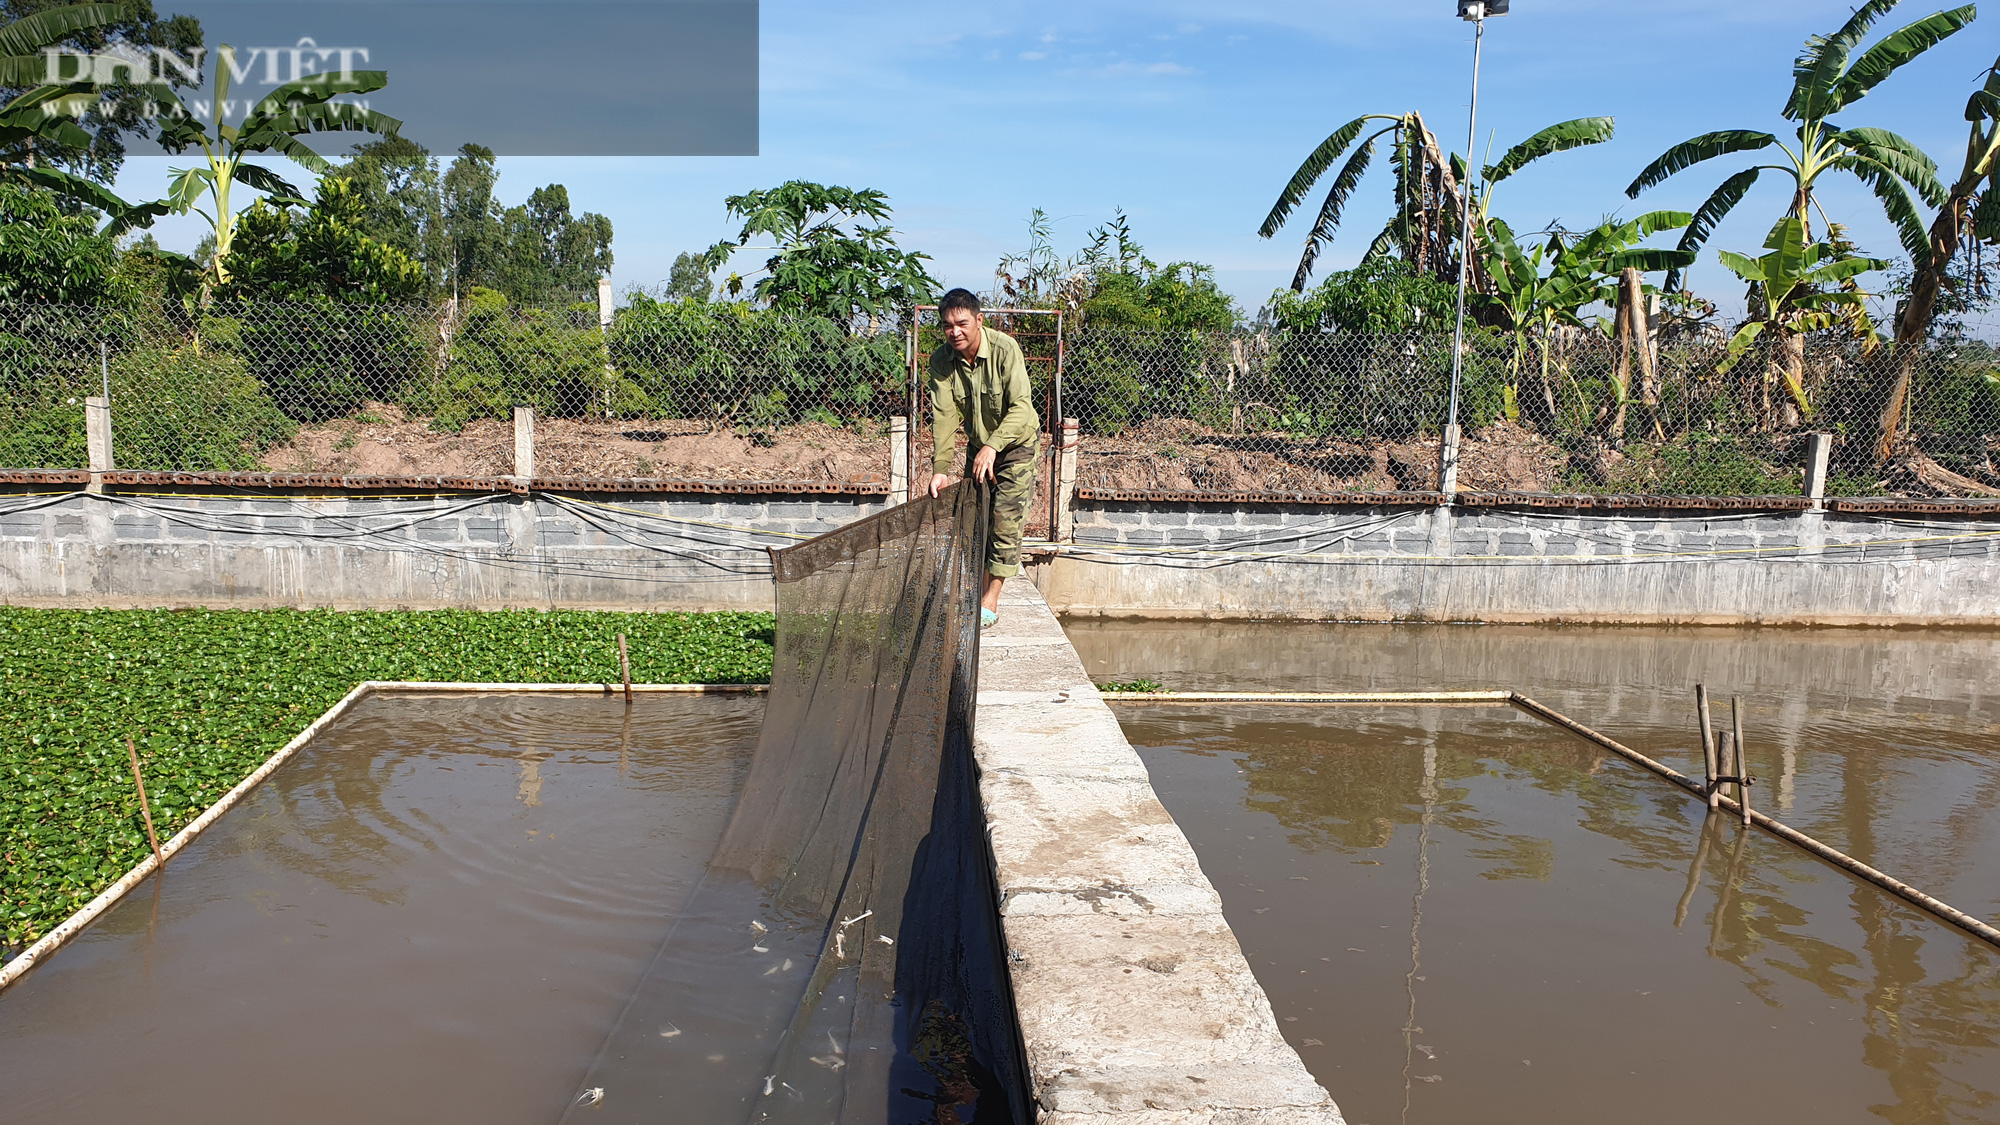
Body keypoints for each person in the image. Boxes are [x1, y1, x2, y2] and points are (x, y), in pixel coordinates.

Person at [926, 288, 1039, 628]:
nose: (955, 332)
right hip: (980, 446)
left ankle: (990, 598)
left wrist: (993, 446)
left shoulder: (1005, 349)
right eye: (947, 325)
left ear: (979, 320)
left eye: (962, 323)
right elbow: (944, 416)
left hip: (1016, 445)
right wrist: (941, 469)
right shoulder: (941, 361)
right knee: (975, 520)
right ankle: (975, 588)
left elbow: (1021, 406)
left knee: (1005, 520)